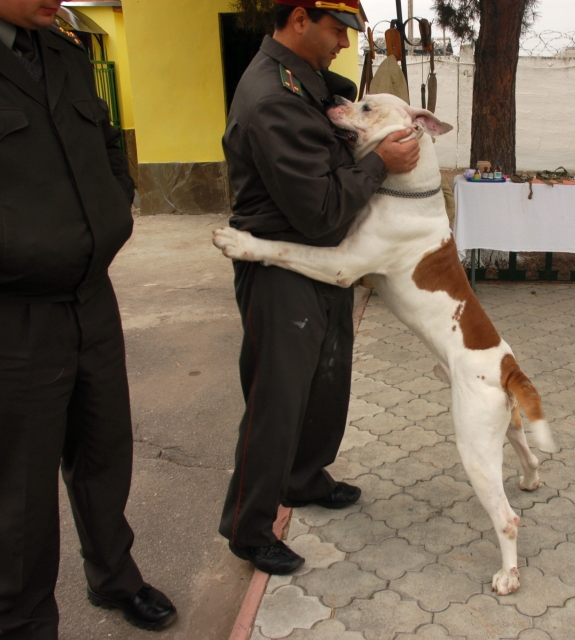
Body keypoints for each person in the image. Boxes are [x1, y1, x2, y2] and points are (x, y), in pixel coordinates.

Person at [0, 0, 176, 636]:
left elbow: (107, 144)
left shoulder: (63, 50)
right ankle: (23, 625)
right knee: (16, 492)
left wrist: (110, 210)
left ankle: (113, 576)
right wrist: (1, 247)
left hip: (90, 298)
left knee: (104, 455)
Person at [219, 0, 419, 575]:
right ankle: (247, 525)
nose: (343, 43)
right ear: (298, 18)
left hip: (326, 260)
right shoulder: (273, 98)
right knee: (276, 399)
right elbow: (320, 210)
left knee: (328, 378)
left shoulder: (306, 83)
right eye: (336, 30)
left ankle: (304, 477)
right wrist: (380, 162)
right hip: (283, 265)